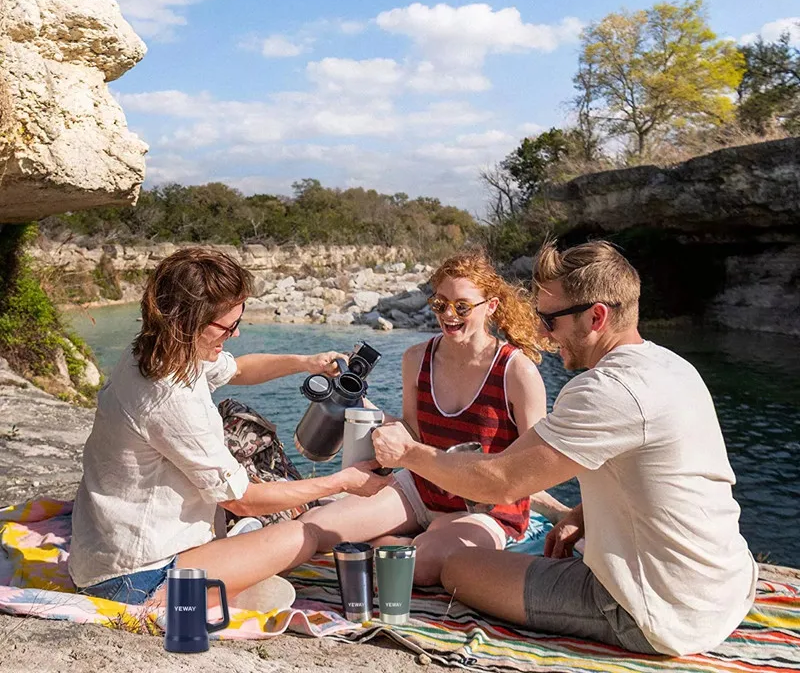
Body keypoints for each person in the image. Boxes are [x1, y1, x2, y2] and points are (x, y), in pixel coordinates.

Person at [371, 240, 758, 656]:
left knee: (457, 567)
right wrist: (583, 514)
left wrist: (409, 453)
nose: (541, 333)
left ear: (596, 317)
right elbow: (665, 478)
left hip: (652, 612)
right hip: (726, 589)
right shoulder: (672, 367)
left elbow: (502, 482)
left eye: (550, 320)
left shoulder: (606, 389)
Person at [68, 247, 389, 605]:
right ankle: (184, 597)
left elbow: (239, 370)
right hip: (135, 577)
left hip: (102, 558)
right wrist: (342, 481)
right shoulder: (169, 397)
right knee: (302, 537)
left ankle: (227, 573)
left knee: (270, 538)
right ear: (187, 323)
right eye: (228, 326)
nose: (235, 334)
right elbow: (243, 501)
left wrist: (305, 362)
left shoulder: (155, 352)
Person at [295, 250, 567, 586]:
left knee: (417, 565)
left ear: (491, 306)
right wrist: (358, 406)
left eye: (462, 307)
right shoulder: (416, 358)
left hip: (486, 509)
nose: (449, 315)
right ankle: (402, 539)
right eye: (440, 304)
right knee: (314, 529)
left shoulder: (517, 372)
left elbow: (533, 464)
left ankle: (401, 542)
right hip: (420, 489)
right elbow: (412, 430)